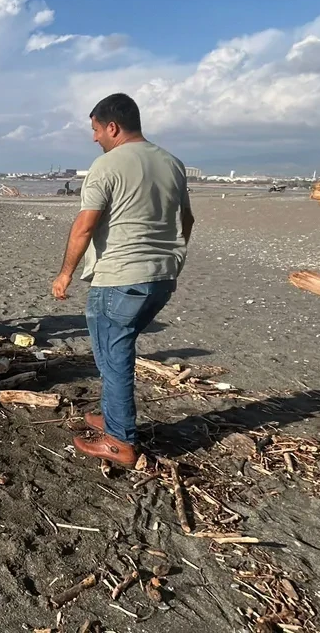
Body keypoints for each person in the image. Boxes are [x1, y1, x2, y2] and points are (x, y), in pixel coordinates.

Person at [51, 93, 193, 467]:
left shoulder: (107, 165)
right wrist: (171, 257)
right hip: (162, 277)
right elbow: (187, 222)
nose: (94, 138)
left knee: (114, 358)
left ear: (112, 127)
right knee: (118, 349)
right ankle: (114, 417)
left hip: (119, 278)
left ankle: (119, 442)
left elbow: (85, 226)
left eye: (96, 130)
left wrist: (65, 273)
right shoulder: (173, 163)